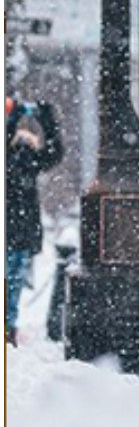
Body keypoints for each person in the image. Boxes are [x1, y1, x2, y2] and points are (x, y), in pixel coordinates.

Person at [5, 96, 64, 346]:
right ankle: (8, 326)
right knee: (13, 281)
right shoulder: (18, 161)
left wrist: (41, 118)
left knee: (13, 281)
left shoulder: (27, 162)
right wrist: (40, 118)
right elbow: (54, 151)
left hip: (18, 230)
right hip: (19, 229)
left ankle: (8, 327)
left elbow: (54, 153)